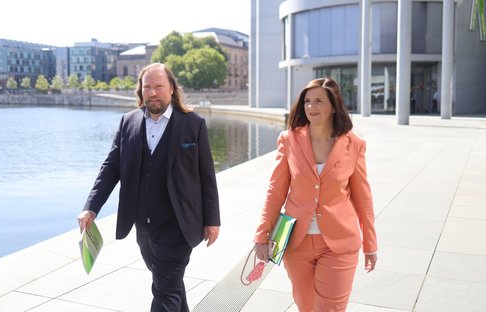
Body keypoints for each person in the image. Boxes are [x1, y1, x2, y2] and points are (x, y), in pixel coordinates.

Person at [77, 63, 220, 312]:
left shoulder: (193, 124)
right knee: (169, 283)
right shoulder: (128, 122)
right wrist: (91, 208)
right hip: (143, 226)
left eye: (159, 86)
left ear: (172, 89)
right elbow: (110, 168)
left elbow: (206, 176)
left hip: (179, 225)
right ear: (140, 91)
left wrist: (212, 220)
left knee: (164, 291)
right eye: (147, 87)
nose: (153, 92)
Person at [253, 77, 377, 312]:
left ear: (334, 105)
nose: (311, 107)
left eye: (319, 101)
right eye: (307, 101)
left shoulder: (354, 144)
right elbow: (276, 191)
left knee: (329, 309)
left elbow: (363, 198)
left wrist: (370, 243)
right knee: (306, 306)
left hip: (339, 243)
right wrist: (262, 233)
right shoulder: (289, 140)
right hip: (296, 243)